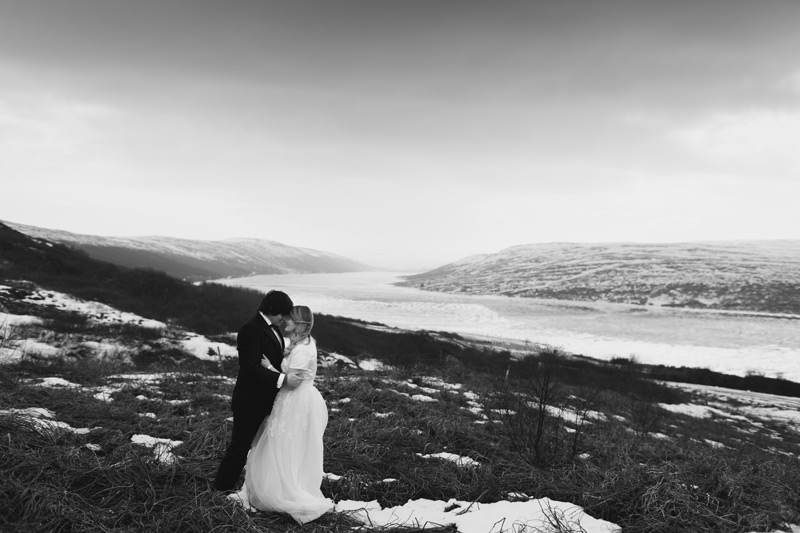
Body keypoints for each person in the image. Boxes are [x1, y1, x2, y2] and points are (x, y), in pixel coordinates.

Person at [244, 305, 333, 524]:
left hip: (296, 400)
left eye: (290, 320)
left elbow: (292, 382)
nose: (285, 322)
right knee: (287, 443)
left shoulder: (303, 350)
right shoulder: (302, 343)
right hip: (294, 399)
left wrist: (270, 369)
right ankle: (282, 485)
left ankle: (286, 490)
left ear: (300, 324)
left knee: (287, 443)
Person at [214, 290, 304, 492]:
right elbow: (251, 368)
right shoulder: (250, 329)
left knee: (262, 447)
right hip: (250, 401)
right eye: (282, 313)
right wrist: (283, 379)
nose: (284, 319)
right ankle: (220, 489)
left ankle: (257, 487)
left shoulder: (272, 328)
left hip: (268, 400)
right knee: (239, 447)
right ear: (272, 309)